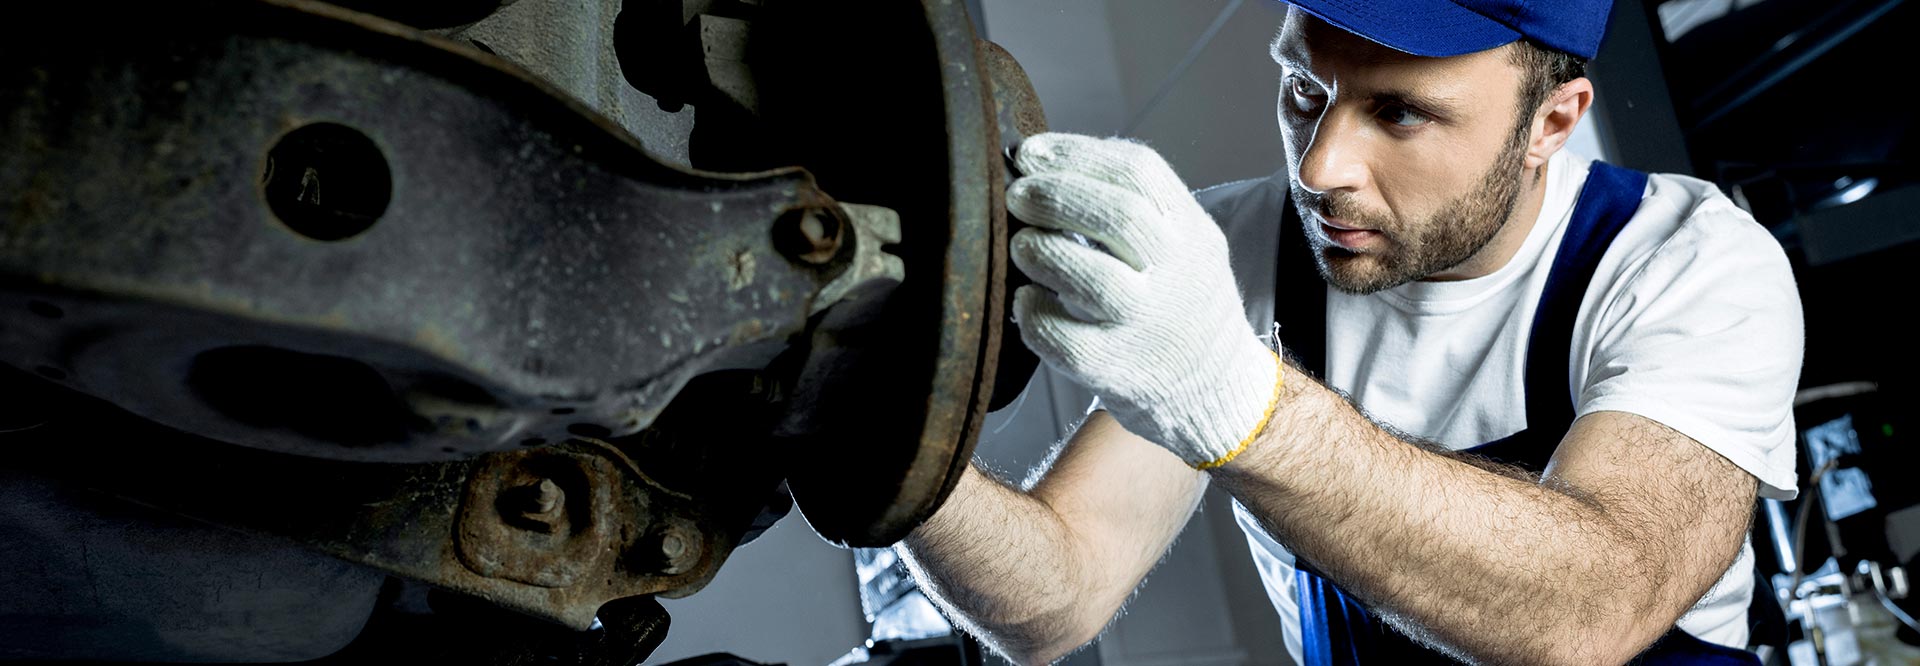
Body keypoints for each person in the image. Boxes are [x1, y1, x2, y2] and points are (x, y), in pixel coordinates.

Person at [897, 0, 1806, 664]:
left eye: (1400, 111)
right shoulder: (1239, 252)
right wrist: (886, 437)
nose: (1321, 167)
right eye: (1303, 88)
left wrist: (1235, 397)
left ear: (1551, 122)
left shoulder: (1683, 263)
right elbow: (1054, 598)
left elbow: (1599, 609)